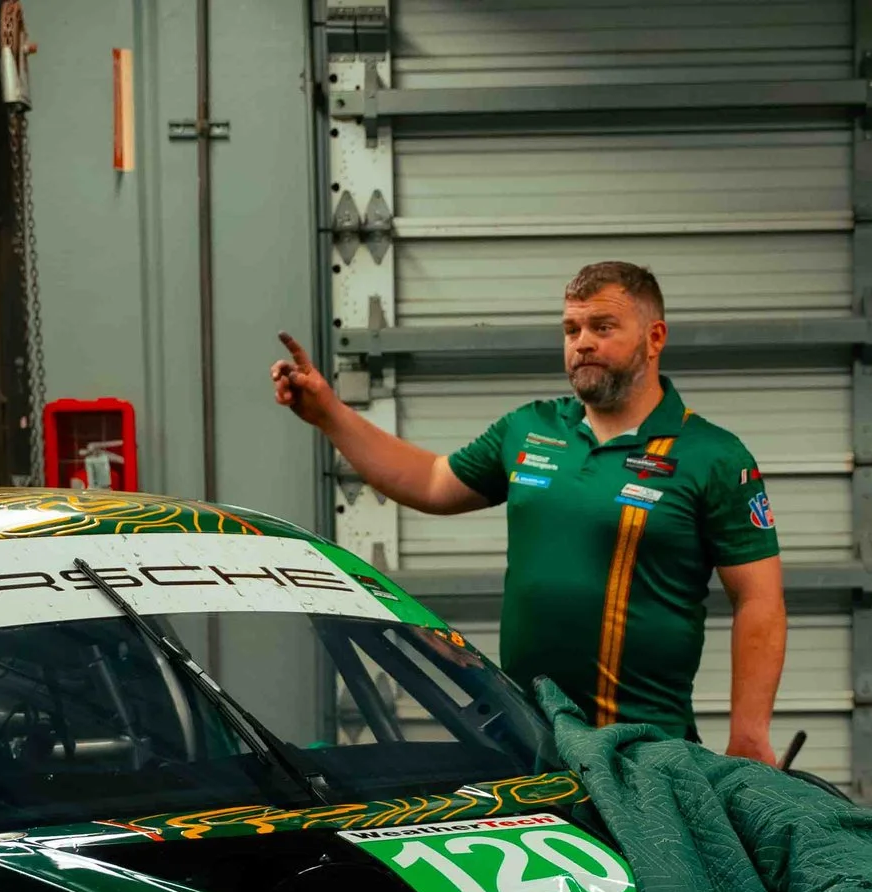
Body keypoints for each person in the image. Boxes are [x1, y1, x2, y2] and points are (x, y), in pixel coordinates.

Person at [270, 262, 787, 761]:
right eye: (571, 329)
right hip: (527, 739)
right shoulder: (530, 428)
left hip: (643, 749)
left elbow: (759, 598)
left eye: (603, 327)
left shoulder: (713, 456)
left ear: (654, 338)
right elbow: (430, 481)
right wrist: (330, 414)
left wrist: (749, 734)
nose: (582, 342)